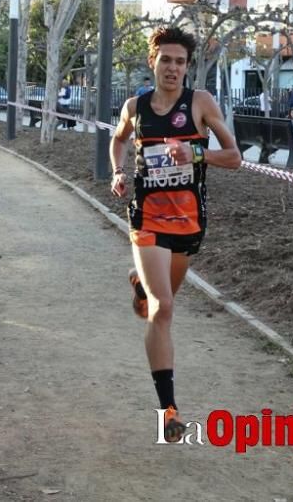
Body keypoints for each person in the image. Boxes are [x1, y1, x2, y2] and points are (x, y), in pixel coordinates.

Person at [110, 26, 241, 443]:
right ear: (153, 62)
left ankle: (142, 287)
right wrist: (117, 171)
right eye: (165, 59)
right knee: (164, 310)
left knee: (160, 300)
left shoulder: (200, 104)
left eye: (180, 61)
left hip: (188, 223)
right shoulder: (136, 106)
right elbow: (118, 140)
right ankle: (168, 410)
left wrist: (196, 151)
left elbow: (235, 157)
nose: (172, 68)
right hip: (146, 219)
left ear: (188, 66)